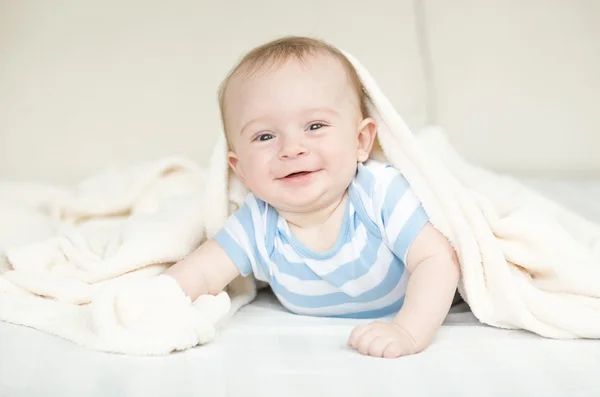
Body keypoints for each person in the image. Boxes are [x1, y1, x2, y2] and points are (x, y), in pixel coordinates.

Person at [164, 36, 460, 358]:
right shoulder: (258, 221)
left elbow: (438, 261)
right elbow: (202, 272)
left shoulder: (379, 192)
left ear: (360, 141)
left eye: (315, 126)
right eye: (265, 136)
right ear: (241, 171)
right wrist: (153, 300)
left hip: (410, 310)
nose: (292, 148)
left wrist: (407, 330)